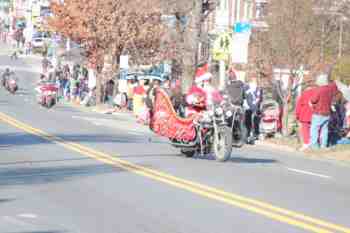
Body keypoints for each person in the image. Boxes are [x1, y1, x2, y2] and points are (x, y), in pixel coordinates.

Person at [309, 73, 339, 149]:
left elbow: (313, 100)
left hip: (319, 113)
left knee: (314, 129)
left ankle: (314, 145)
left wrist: (310, 102)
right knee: (324, 130)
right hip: (327, 113)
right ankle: (324, 145)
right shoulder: (330, 90)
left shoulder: (320, 89)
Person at [295, 86, 317, 150]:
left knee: (305, 130)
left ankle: (306, 143)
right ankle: (314, 143)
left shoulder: (304, 94)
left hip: (305, 115)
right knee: (315, 129)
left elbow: (298, 105)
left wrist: (297, 115)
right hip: (315, 114)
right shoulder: (316, 93)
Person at [244, 77, 263, 142]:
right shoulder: (247, 87)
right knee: (249, 121)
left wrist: (255, 105)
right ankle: (250, 134)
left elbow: (259, 98)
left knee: (254, 121)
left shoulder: (258, 88)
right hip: (250, 107)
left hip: (253, 107)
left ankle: (253, 134)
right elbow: (245, 96)